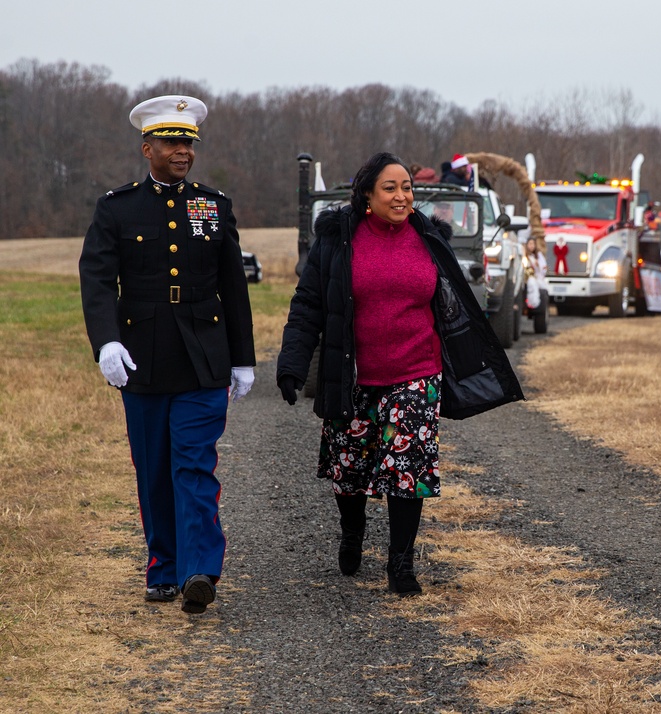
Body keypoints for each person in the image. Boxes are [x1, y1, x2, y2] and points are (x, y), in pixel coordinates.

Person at [275, 152, 523, 596]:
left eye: (407, 187)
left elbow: (457, 307)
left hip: (416, 373)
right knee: (348, 468)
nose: (401, 195)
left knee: (407, 468)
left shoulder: (429, 238)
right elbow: (308, 304)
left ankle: (401, 563)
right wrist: (292, 364)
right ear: (366, 196)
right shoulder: (337, 241)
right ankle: (352, 531)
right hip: (353, 375)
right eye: (390, 187)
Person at [78, 95, 256, 614]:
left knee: (194, 464)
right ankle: (163, 565)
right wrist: (106, 340)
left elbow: (232, 286)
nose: (183, 152)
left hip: (204, 356)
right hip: (144, 357)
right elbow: (96, 278)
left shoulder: (213, 205)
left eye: (189, 143)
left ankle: (199, 570)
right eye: (172, 142)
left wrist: (242, 357)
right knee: (154, 467)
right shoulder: (117, 207)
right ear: (146, 147)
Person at [524, 236, 547, 310]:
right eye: (530, 244)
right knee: (531, 283)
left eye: (533, 244)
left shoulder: (538, 255)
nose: (531, 246)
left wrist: (538, 265)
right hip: (526, 278)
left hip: (536, 276)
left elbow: (544, 267)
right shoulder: (524, 255)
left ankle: (535, 304)